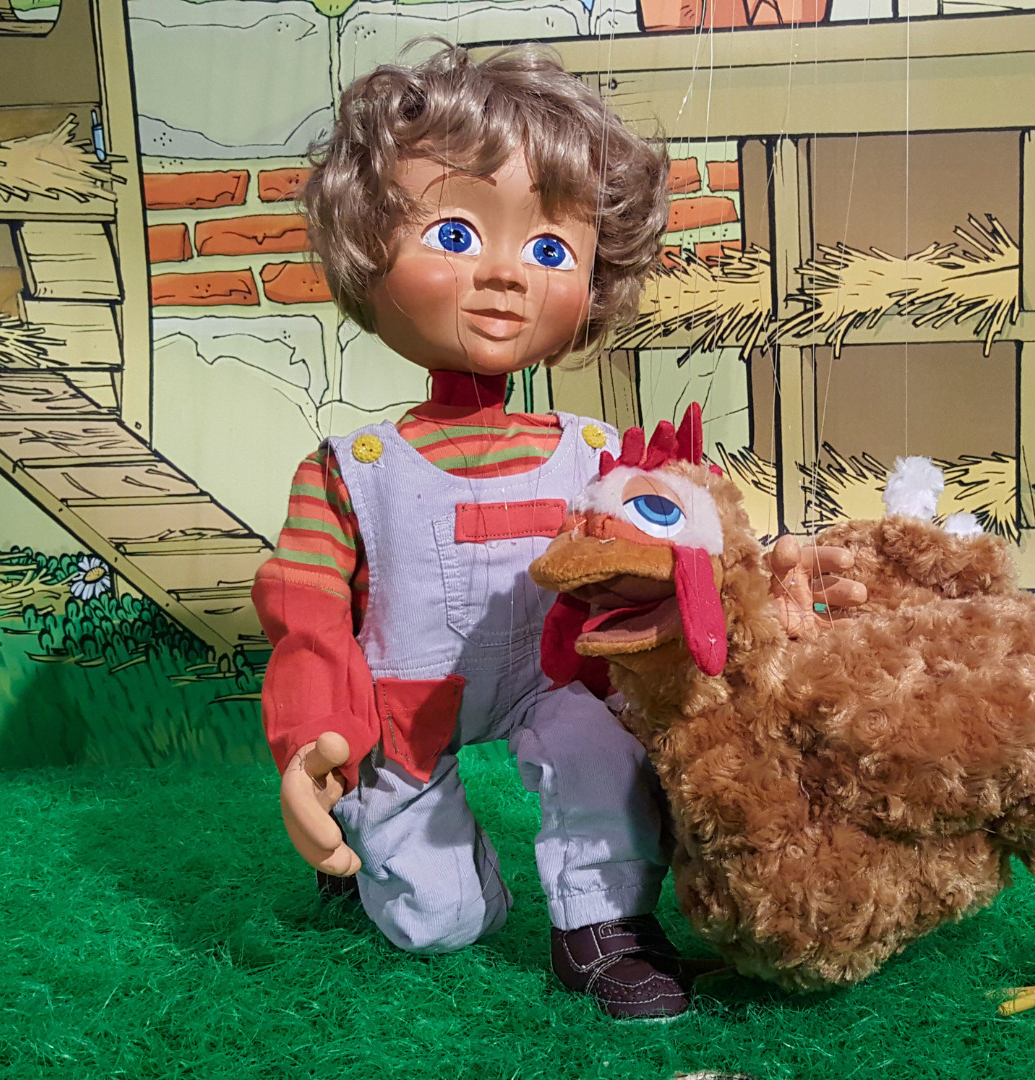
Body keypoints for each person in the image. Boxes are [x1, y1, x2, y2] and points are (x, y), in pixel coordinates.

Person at [251, 41, 862, 1021]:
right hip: (405, 704)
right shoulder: (351, 468)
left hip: (558, 675)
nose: (504, 274)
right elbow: (307, 611)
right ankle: (379, 851)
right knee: (440, 922)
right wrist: (313, 734)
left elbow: (686, 546)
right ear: (368, 247)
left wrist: (759, 581)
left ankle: (602, 930)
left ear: (594, 275)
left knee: (603, 762)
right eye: (454, 233)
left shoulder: (598, 453)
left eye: (549, 251)